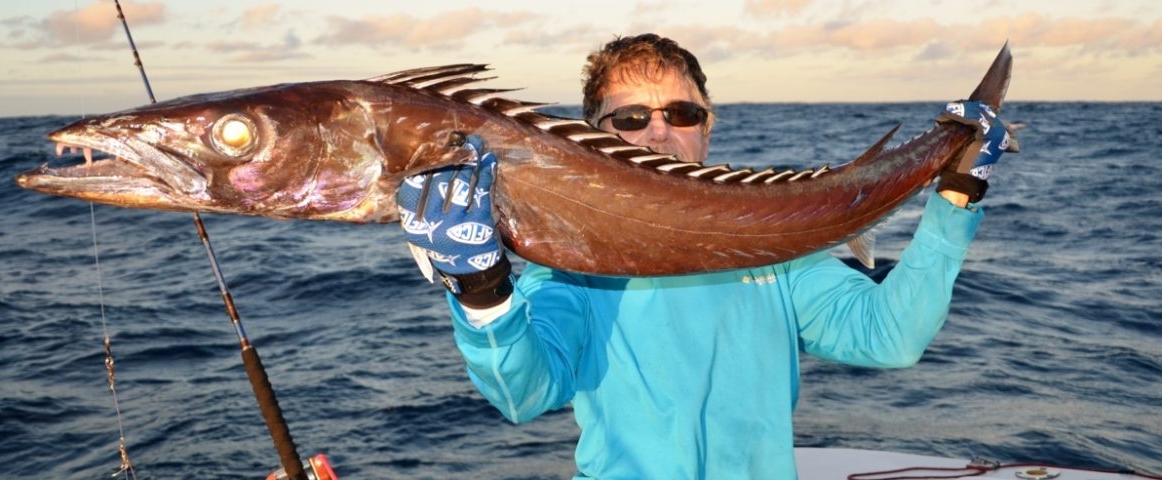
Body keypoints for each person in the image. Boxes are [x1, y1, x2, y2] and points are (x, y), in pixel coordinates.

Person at [397, 33, 1007, 479]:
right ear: (590, 138)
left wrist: (954, 199)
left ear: (707, 127)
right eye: (631, 117)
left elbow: (889, 337)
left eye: (681, 114)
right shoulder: (570, 266)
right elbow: (522, 392)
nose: (657, 133)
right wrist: (481, 289)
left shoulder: (773, 250)